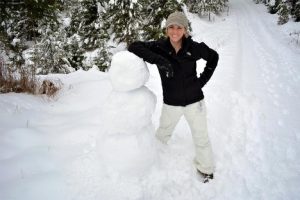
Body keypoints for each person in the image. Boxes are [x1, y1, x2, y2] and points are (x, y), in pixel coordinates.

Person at [128, 11, 219, 183]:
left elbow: (214, 57)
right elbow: (134, 46)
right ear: (166, 29)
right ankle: (154, 161)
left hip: (195, 102)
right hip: (171, 104)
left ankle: (206, 169)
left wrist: (202, 81)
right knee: (162, 134)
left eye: (179, 27)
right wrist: (160, 61)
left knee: (201, 137)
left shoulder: (193, 48)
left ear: (185, 30)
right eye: (171, 27)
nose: (175, 31)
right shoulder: (160, 47)